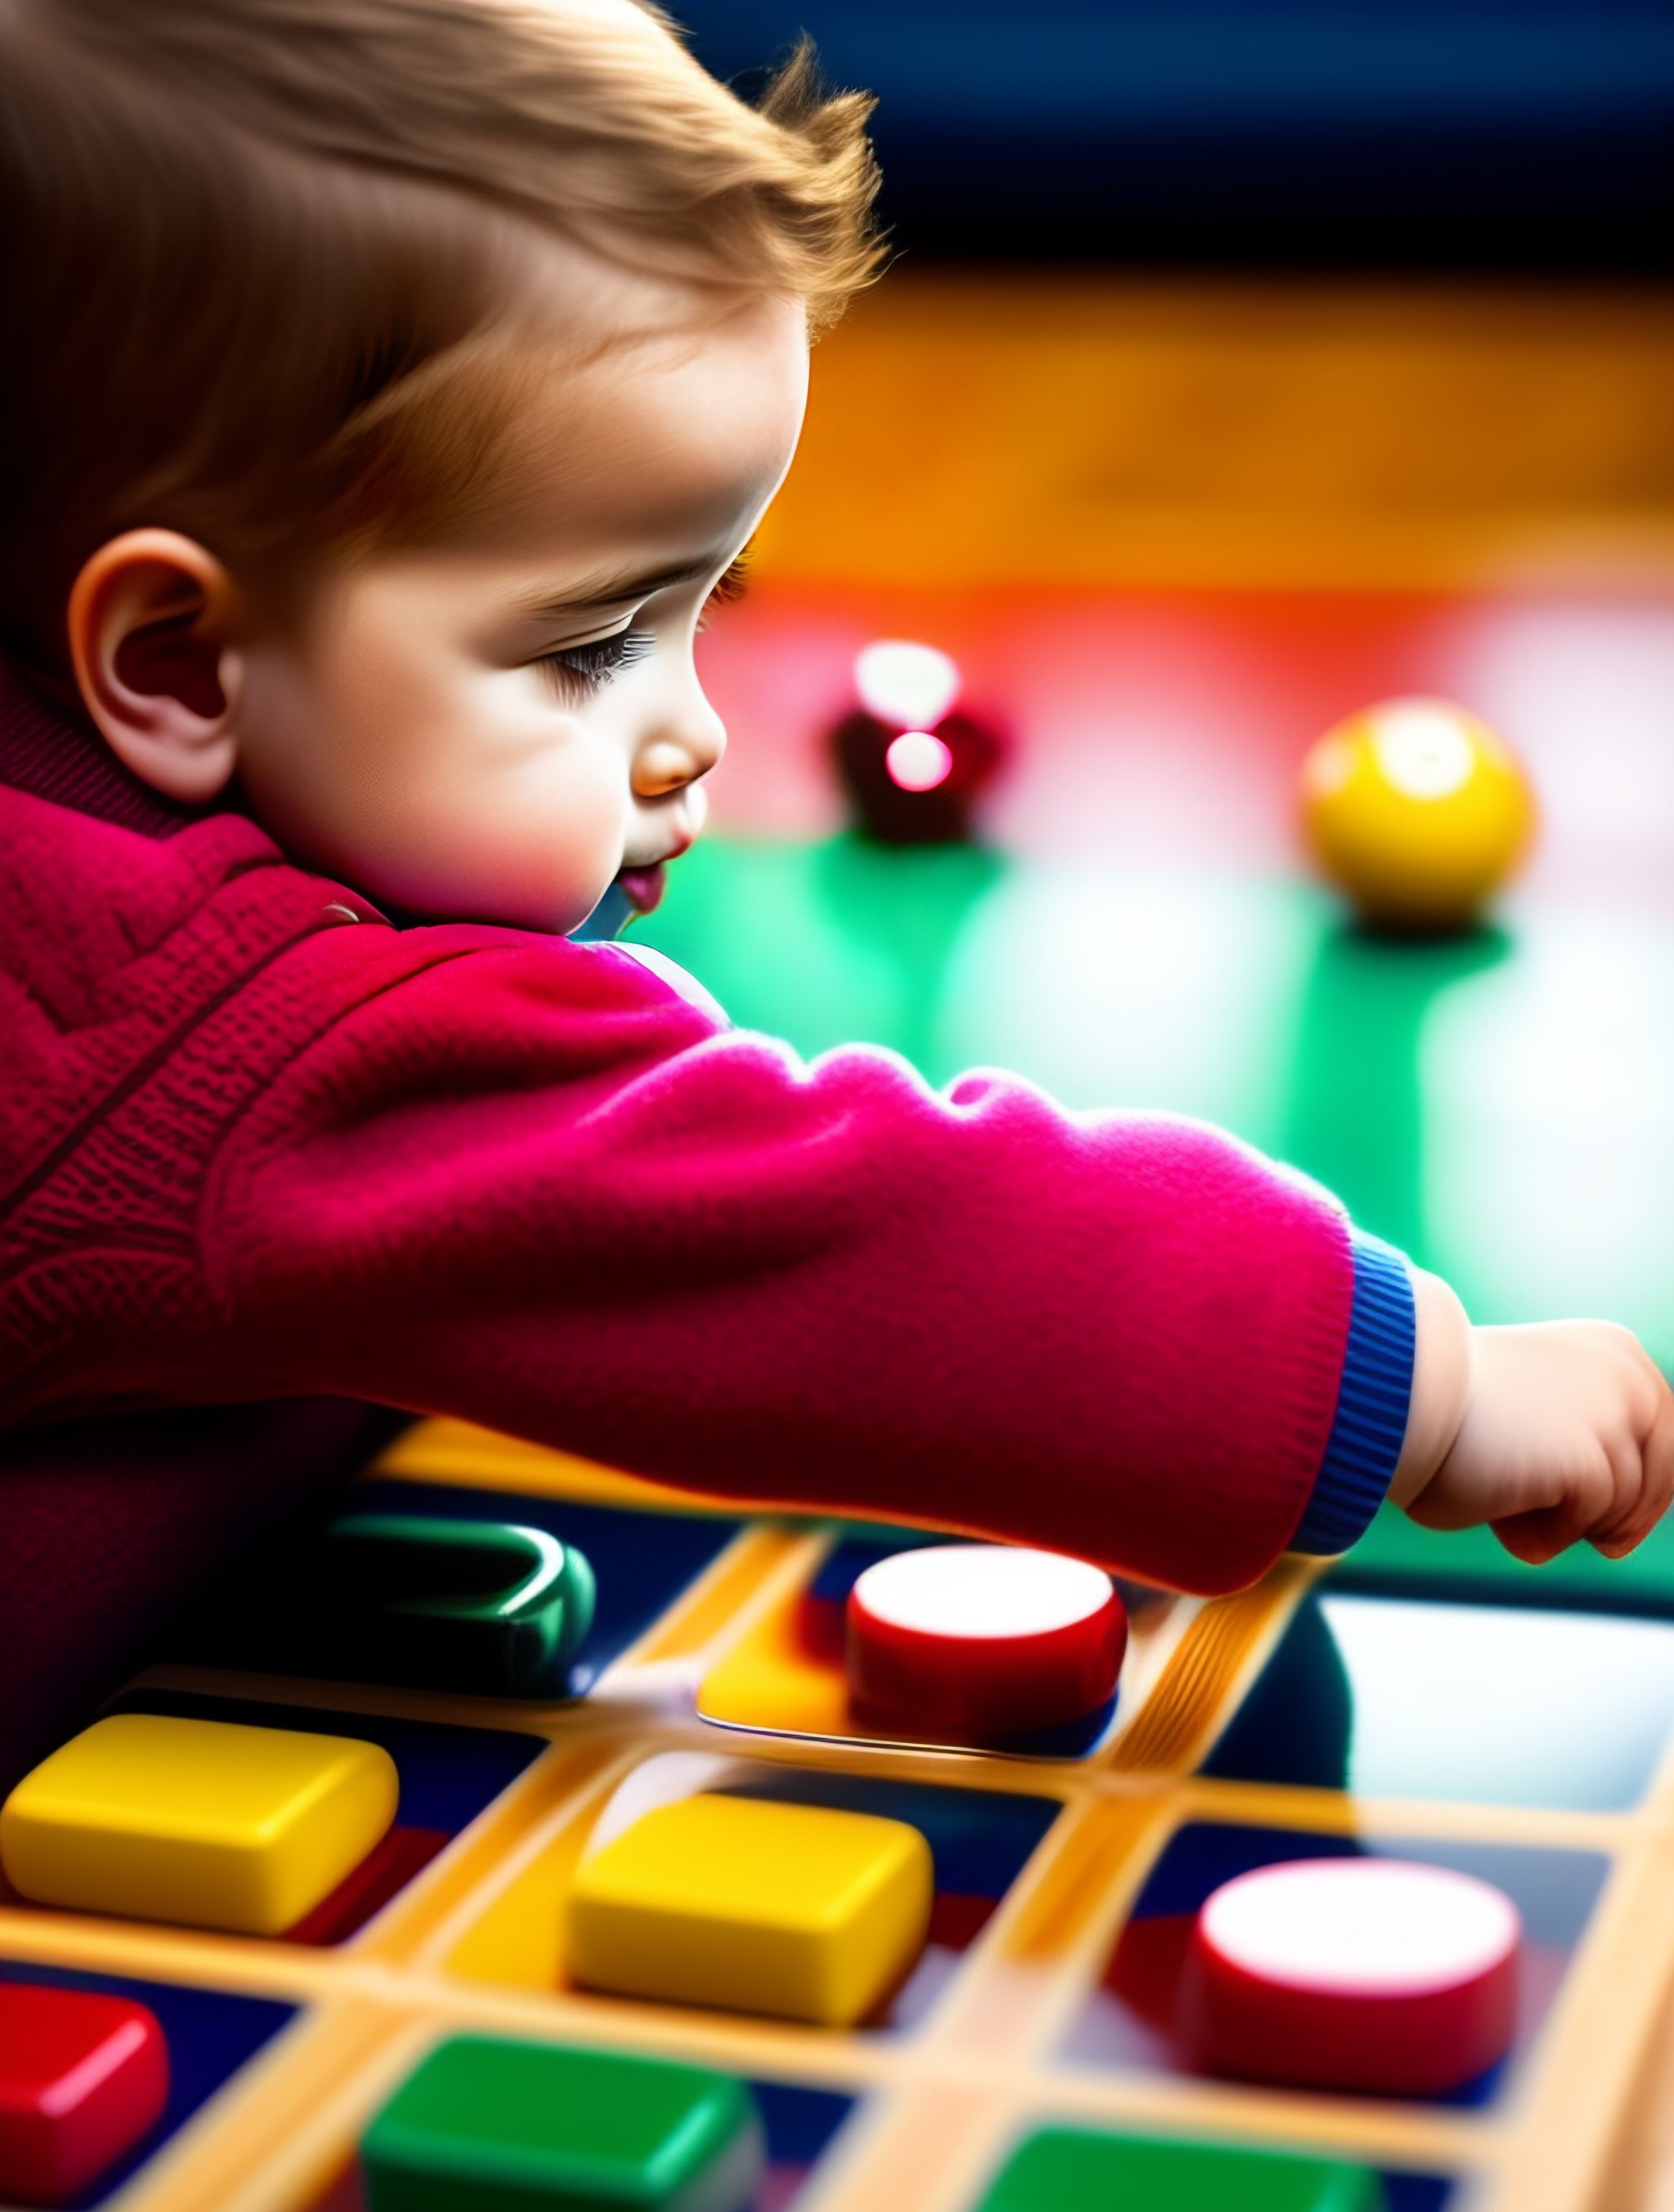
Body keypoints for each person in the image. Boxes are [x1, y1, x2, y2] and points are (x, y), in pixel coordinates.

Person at [1, 0, 1668, 1729]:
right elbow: (804, 1224)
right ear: (180, 659)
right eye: (585, 649)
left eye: (704, 612)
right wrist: (1412, 1383)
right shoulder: (210, 1036)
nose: (692, 731)